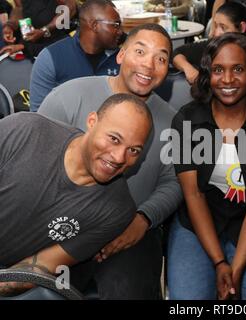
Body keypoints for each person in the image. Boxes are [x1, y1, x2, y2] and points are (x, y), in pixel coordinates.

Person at [38, 23, 182, 300]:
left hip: (130, 234)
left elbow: (173, 182)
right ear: (120, 55)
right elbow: (36, 157)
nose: (149, 65)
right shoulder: (69, 97)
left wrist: (143, 219)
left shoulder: (173, 122)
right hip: (61, 226)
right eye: (140, 51)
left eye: (161, 58)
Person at [168, 32, 246, 300]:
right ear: (207, 75)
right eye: (218, 70)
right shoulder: (187, 121)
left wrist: (237, 268)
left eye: (238, 69)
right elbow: (193, 195)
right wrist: (220, 262)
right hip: (196, 225)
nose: (228, 80)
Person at [0, 93, 152, 296]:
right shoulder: (24, 130)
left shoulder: (117, 209)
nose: (119, 157)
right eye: (114, 139)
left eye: (133, 150)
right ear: (92, 121)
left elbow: (40, 266)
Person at [173, 1, 246, 101]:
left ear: (241, 27)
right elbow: (177, 53)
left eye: (223, 27)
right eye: (215, 26)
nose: (216, 33)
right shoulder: (214, 45)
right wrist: (189, 70)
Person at [30, 0, 123, 112]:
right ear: (95, 25)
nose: (120, 32)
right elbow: (37, 116)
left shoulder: (121, 57)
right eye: (116, 25)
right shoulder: (51, 57)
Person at [0, 0, 78, 59]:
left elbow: (70, 8)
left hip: (57, 41)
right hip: (32, 43)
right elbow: (19, 7)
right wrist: (10, 25)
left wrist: (45, 30)